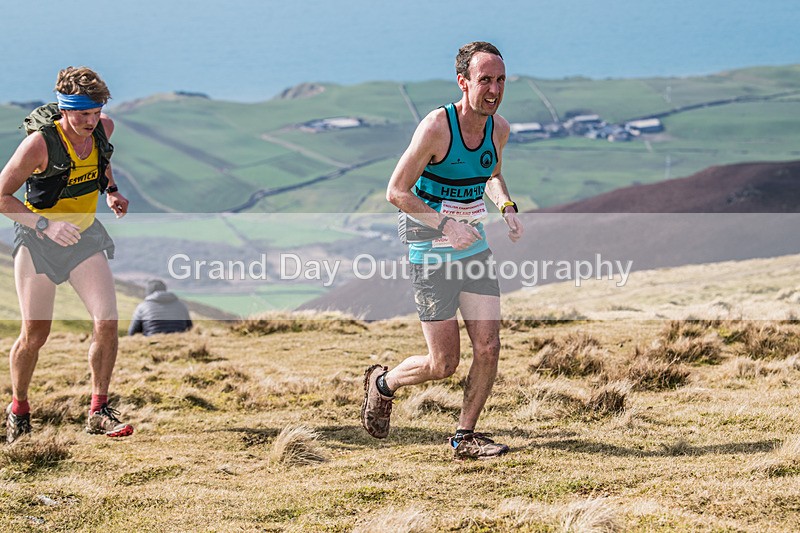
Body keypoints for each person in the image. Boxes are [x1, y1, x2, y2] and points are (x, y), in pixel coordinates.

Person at [361, 42, 524, 459]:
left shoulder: (498, 128)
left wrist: (506, 207)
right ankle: (383, 384)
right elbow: (396, 191)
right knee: (443, 363)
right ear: (463, 81)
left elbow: (493, 173)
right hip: (431, 249)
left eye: (500, 80)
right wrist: (447, 225)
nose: (494, 89)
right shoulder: (437, 127)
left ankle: (464, 437)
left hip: (474, 250)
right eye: (484, 79)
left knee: (488, 347)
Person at [0, 67, 134, 443]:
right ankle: (20, 409)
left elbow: (100, 159)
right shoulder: (39, 145)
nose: (91, 122)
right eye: (82, 115)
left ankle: (98, 411)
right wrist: (46, 226)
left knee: (107, 321)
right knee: (35, 335)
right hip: (38, 242)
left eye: (96, 113)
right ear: (64, 110)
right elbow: (2, 196)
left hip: (84, 237)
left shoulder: (103, 128)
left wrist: (111, 190)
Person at [128, 279, 193, 336]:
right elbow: (190, 328)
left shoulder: (142, 307)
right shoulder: (181, 305)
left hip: (152, 343)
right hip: (180, 343)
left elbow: (132, 332)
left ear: (148, 292)